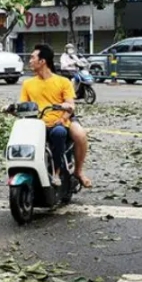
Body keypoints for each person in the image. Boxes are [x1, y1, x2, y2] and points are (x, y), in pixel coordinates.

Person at [20, 44, 91, 188]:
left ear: (42, 61)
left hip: (60, 120)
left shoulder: (62, 82)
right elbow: (23, 106)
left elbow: (70, 105)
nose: (30, 61)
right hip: (37, 124)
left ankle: (68, 172)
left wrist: (62, 118)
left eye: (33, 57)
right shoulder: (27, 84)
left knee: (77, 134)